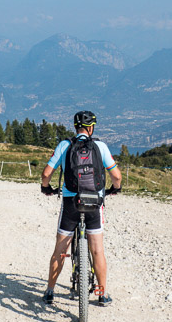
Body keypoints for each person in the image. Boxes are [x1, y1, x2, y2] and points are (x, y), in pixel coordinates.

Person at [40, 110, 122, 306]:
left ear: (75, 127)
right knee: (97, 250)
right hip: (94, 202)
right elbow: (117, 176)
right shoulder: (100, 146)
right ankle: (102, 294)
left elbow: (46, 174)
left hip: (71, 203)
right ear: (91, 128)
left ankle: (50, 291)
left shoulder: (65, 145)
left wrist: (46, 188)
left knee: (60, 249)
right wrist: (114, 189)